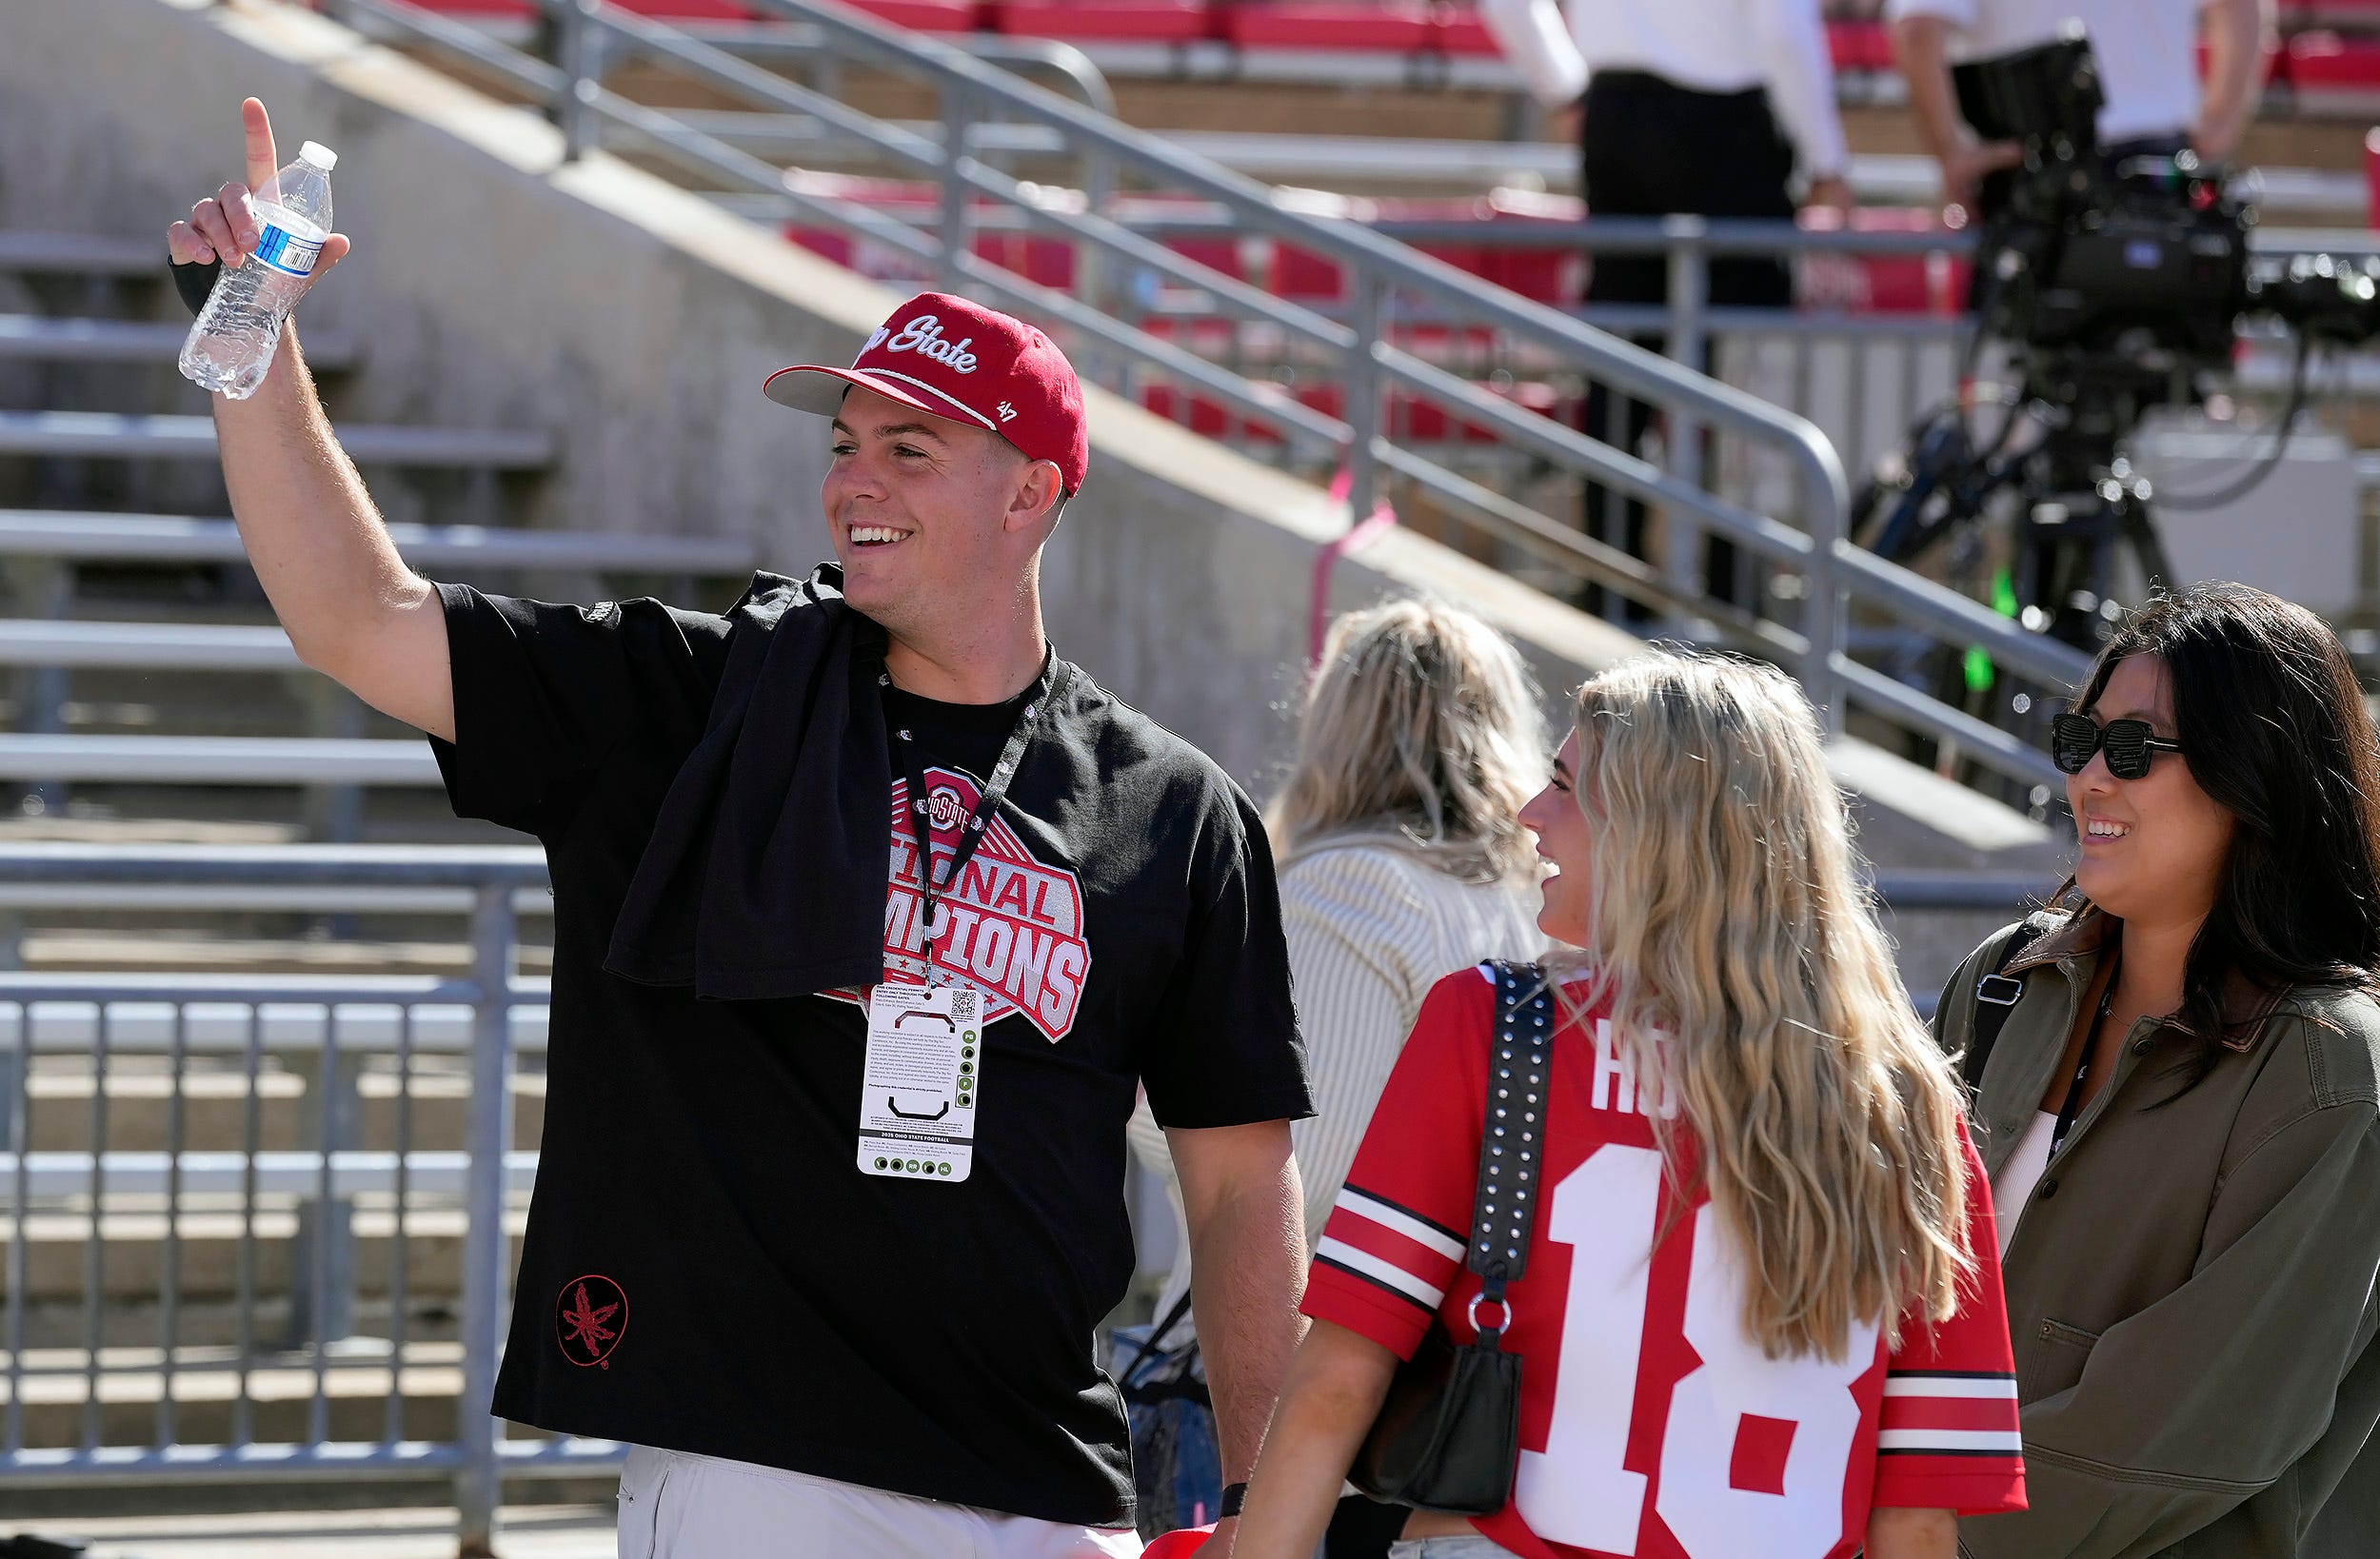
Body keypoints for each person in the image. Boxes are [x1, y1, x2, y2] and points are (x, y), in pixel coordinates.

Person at [169, 99, 1315, 1557]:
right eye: (845, 444)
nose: (854, 480)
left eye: (910, 448)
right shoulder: (697, 703)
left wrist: (1274, 1511)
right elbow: (358, 619)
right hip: (759, 1472)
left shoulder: (1173, 808)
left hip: (1045, 1484)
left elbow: (1239, 1183)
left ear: (1032, 493)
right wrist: (254, 334)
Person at [1227, 651, 2027, 1559]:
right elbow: (1916, 1517)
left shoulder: (1495, 1026)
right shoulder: (1908, 1105)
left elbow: (1338, 1379)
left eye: (1567, 789)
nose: (1529, 813)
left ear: (1661, 830)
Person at [1930, 582, 2380, 1559]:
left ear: (2255, 773)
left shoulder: (2328, 1069)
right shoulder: (2004, 982)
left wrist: (1921, 1526)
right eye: (2080, 741)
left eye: (2134, 749)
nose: (2090, 778)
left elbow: (2187, 1431)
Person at [1125, 598, 1550, 1554]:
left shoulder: (1345, 889)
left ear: (1337, 728)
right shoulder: (1525, 901)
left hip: (1308, 1421)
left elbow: (1292, 1170)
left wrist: (1141, 1085)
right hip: (1461, 1409)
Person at [1480, 0, 1854, 622]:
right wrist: (1827, 160)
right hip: (1729, 127)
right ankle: (1735, 603)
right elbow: (1785, 28)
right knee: (1741, 376)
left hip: (1618, 117)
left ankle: (1611, 589)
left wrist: (1566, 88)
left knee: (1622, 365)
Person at [1890, 0, 2270, 216]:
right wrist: (2218, 127)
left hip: (2029, 179)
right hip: (2164, 172)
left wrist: (1953, 153)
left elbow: (1918, 31)